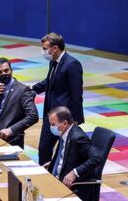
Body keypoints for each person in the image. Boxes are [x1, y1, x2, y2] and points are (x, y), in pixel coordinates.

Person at [33, 32, 84, 165]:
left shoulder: (72, 64)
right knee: (43, 149)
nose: (43, 51)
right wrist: (32, 90)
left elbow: (77, 95)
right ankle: (45, 176)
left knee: (63, 152)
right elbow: (49, 81)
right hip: (49, 115)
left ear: (55, 48)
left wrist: (74, 121)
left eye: (45, 48)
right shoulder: (53, 62)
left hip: (64, 119)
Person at [0, 57, 39, 148]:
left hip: (8, 138)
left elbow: (33, 116)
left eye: (6, 70)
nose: (4, 74)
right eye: (0, 72)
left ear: (11, 70)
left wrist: (11, 130)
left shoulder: (22, 90)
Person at [44, 106, 100, 201]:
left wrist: (75, 173)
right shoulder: (64, 133)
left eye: (53, 124)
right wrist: (53, 162)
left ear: (65, 123)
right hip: (57, 178)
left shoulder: (78, 138)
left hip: (70, 186)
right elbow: (66, 155)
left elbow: (97, 158)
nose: (51, 127)